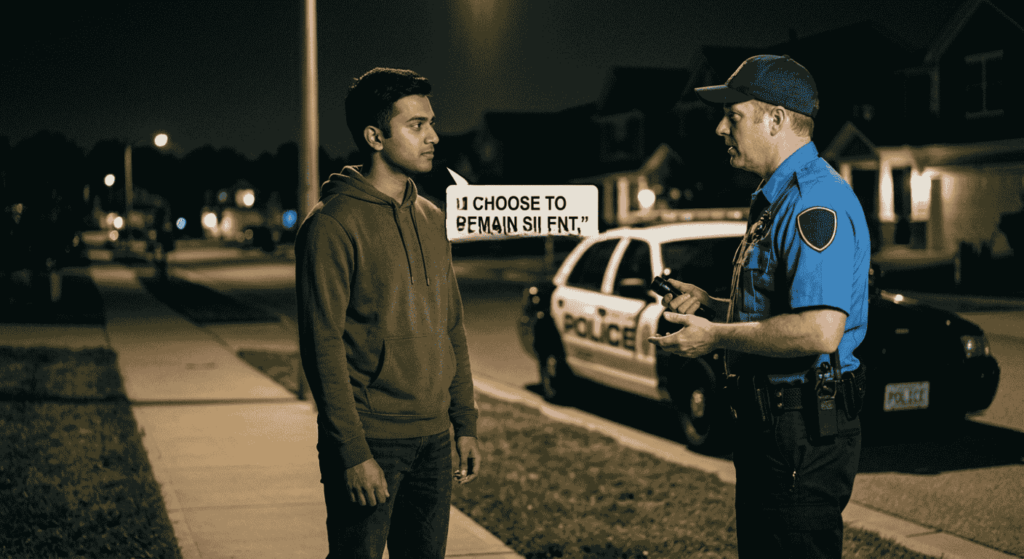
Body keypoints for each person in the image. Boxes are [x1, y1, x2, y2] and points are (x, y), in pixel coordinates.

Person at [648, 54, 869, 558]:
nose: (721, 128)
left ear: (776, 120)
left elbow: (819, 331)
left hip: (800, 426)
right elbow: (776, 313)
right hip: (774, 423)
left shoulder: (816, 203)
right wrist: (712, 306)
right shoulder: (777, 200)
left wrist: (715, 337)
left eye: (735, 115)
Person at [295, 67, 481, 559]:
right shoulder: (332, 226)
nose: (434, 137)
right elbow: (322, 347)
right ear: (375, 136)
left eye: (431, 123)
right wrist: (352, 453)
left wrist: (464, 423)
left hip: (433, 440)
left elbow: (451, 326)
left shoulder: (433, 217)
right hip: (372, 440)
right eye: (416, 125)